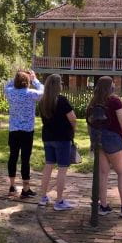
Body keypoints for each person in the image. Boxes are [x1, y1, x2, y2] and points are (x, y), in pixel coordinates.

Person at [87, 76, 122, 217]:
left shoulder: (93, 102)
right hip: (112, 138)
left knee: (103, 174)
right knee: (121, 172)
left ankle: (103, 206)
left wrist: (92, 141)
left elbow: (89, 123)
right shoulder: (115, 101)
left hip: (98, 139)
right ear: (110, 87)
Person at [37, 74, 78, 211]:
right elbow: (72, 118)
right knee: (62, 169)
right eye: (60, 82)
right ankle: (59, 201)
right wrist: (73, 130)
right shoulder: (61, 100)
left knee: (48, 166)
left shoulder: (42, 101)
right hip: (62, 138)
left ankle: (43, 197)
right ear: (57, 85)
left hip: (48, 137)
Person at [4, 70, 44, 198]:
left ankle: (11, 186)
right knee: (25, 159)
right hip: (27, 131)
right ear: (27, 82)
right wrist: (35, 80)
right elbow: (42, 91)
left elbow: (7, 86)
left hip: (14, 130)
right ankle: (26, 188)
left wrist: (16, 75)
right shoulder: (31, 94)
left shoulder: (10, 93)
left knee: (13, 157)